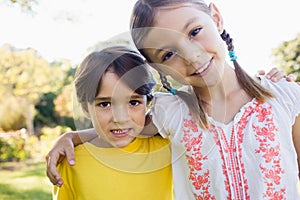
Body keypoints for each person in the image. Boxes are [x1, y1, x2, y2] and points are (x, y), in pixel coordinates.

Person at [47, 0, 300, 199]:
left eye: (195, 31)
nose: (191, 56)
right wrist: (72, 136)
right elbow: (125, 124)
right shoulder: (170, 113)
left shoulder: (285, 97)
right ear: (156, 66)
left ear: (216, 18)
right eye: (168, 54)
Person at [52, 45, 173, 199]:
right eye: (105, 104)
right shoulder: (71, 161)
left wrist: (72, 136)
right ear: (85, 108)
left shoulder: (167, 147)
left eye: (133, 102)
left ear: (148, 102)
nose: (120, 118)